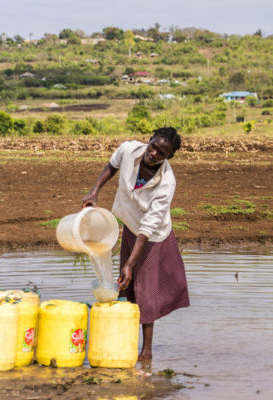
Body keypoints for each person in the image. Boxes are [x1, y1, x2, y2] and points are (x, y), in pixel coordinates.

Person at [82, 127, 189, 361]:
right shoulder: (130, 150)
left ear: (168, 158)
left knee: (145, 290)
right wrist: (94, 190)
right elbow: (112, 165)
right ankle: (123, 337)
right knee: (126, 286)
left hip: (151, 238)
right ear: (149, 140)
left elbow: (149, 227)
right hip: (131, 226)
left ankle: (147, 351)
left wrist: (131, 262)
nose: (154, 153)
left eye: (162, 153)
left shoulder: (166, 182)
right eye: (154, 146)